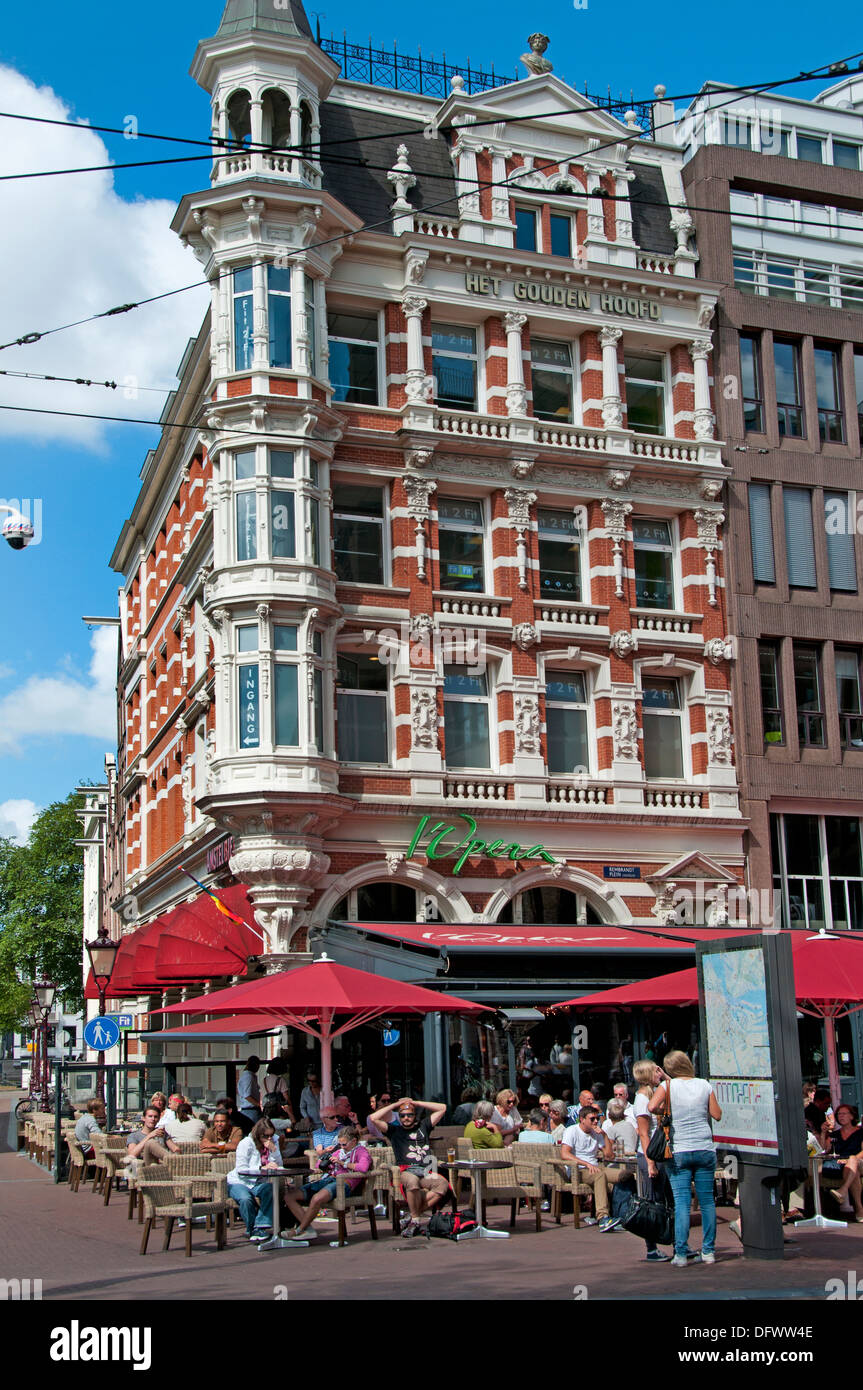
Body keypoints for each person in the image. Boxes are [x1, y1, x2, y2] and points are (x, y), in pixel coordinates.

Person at [648, 1050, 722, 1266]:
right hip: (704, 1147)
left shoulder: (667, 1087)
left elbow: (652, 1107)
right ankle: (708, 1251)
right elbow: (717, 1114)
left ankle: (680, 1253)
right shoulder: (704, 1085)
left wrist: (668, 1110)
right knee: (707, 1201)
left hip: (679, 1149)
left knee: (682, 1202)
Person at [368, 1096, 449, 1236]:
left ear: (414, 1115)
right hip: (406, 1170)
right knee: (412, 1182)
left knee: (442, 1184)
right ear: (399, 1117)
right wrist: (396, 1104)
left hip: (425, 1170)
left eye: (410, 1114)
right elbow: (373, 1118)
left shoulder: (424, 1126)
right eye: (403, 1115)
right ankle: (416, 1219)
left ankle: (412, 1216)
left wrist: (416, 1103)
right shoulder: (394, 1131)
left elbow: (443, 1108)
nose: (406, 1118)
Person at [282, 1125, 371, 1241]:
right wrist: (326, 1159)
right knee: (289, 1196)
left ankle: (299, 1230)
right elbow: (318, 1165)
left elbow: (363, 1167)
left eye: (344, 1144)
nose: (342, 1147)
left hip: (344, 1182)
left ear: (354, 1141)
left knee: (317, 1198)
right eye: (340, 1144)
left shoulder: (361, 1151)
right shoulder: (339, 1151)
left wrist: (342, 1163)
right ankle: (308, 1229)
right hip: (328, 1179)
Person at [632, 1058, 673, 1263]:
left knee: (667, 1200)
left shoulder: (655, 1094)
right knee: (653, 1202)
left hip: (661, 1154)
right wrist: (650, 1162)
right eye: (657, 1071)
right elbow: (643, 1134)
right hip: (651, 1155)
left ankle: (676, 1241)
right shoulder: (641, 1099)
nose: (660, 1073)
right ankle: (651, 1247)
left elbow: (677, 1091)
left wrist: (666, 1078)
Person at [560, 1105, 621, 1232]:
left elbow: (609, 1155)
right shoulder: (572, 1130)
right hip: (579, 1170)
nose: (595, 1122)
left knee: (624, 1175)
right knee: (600, 1176)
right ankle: (603, 1218)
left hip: (596, 1168)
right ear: (582, 1119)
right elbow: (565, 1154)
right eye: (592, 1119)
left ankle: (623, 1214)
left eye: (597, 1119)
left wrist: (604, 1135)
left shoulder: (596, 1133)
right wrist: (586, 1164)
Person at [226, 1118, 281, 1241]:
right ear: (258, 1134)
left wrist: (274, 1150)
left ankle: (260, 1226)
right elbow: (242, 1170)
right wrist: (262, 1168)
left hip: (258, 1182)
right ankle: (252, 1230)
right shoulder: (246, 1143)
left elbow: (279, 1164)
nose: (269, 1139)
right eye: (266, 1136)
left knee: (270, 1189)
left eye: (271, 1135)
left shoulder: (273, 1142)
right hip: (239, 1181)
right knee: (246, 1199)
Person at [825, 1103, 863, 1219]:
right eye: (839, 1114)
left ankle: (844, 1189)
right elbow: (825, 1150)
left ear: (852, 1116)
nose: (841, 1116)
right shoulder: (834, 1134)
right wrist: (823, 1134)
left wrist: (852, 1160)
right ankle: (860, 1210)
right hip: (838, 1164)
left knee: (851, 1160)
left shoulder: (861, 1132)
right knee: (853, 1171)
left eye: (844, 1114)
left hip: (857, 1160)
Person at [125, 1105, 176, 1171]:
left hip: (163, 1165)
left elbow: (175, 1148)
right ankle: (174, 1162)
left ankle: (173, 1161)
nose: (153, 1119)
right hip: (144, 1167)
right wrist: (149, 1136)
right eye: (150, 1116)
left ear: (159, 1119)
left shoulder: (162, 1133)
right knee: (151, 1143)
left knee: (155, 1164)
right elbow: (132, 1155)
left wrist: (177, 1152)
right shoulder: (134, 1135)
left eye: (155, 1117)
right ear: (143, 1118)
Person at [261, 1059, 296, 1124]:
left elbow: (262, 1097)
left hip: (267, 1111)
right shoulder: (280, 1080)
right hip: (278, 1111)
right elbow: (286, 1098)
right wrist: (291, 1112)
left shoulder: (264, 1080)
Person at [237, 1056, 262, 1126]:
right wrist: (258, 1104)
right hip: (250, 1110)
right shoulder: (248, 1077)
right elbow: (247, 1095)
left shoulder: (250, 1076)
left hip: (251, 1110)